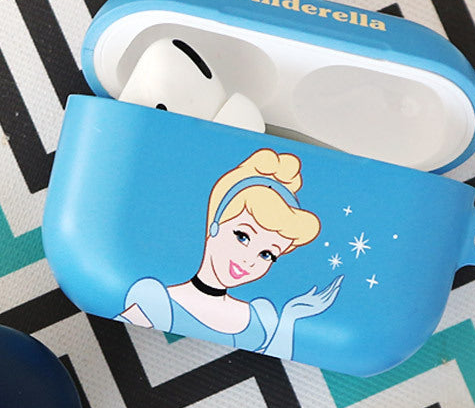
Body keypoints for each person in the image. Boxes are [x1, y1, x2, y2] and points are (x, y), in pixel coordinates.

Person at [117, 148, 342, 361]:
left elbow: (275, 361)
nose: (249, 260)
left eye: (267, 254)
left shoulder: (259, 317)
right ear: (214, 224)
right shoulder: (156, 301)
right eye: (242, 236)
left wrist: (290, 318)